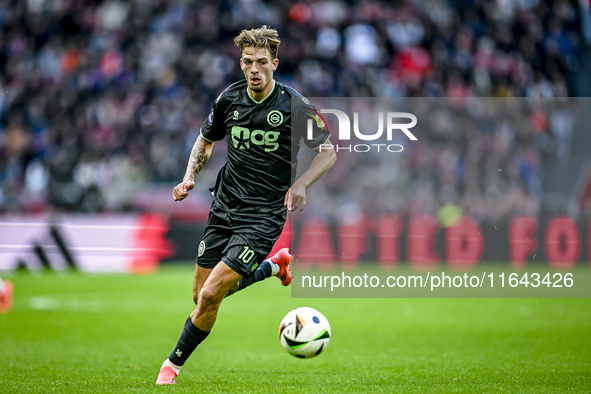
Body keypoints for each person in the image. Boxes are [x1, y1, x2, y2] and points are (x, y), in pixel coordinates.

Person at [155, 26, 336, 385]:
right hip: (224, 206)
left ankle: (170, 367)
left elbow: (328, 152)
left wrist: (301, 183)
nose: (255, 69)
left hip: (263, 215)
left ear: (275, 64)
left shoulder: (294, 105)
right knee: (200, 295)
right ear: (241, 63)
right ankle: (273, 267)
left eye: (262, 63)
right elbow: (205, 140)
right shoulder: (229, 99)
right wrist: (190, 176)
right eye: (248, 62)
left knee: (210, 295)